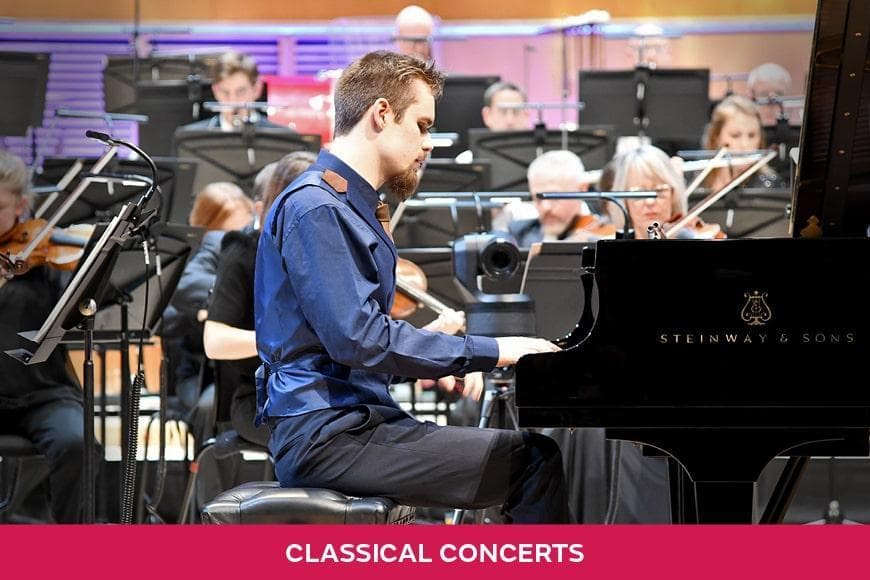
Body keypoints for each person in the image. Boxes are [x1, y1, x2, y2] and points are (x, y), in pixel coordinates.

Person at [255, 50, 569, 522]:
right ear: (382, 113)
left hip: (353, 421)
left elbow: (353, 343)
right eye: (422, 126)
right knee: (533, 461)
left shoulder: (346, 203)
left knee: (516, 461)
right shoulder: (317, 206)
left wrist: (439, 356)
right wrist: (497, 348)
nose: (429, 143)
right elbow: (358, 338)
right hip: (327, 433)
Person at [0, 151, 93, 523]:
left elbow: (81, 311)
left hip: (43, 393)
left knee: (76, 439)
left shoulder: (43, 256)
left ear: (22, 204)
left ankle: (72, 544)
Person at [162, 182, 254, 424]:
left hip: (245, 369)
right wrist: (230, 299)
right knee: (211, 406)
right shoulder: (213, 247)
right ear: (209, 230)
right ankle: (206, 461)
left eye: (247, 225)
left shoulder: (252, 243)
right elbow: (185, 287)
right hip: (204, 374)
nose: (242, 236)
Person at [505, 150, 607, 247]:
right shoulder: (520, 232)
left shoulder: (607, 229)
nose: (546, 207)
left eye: (554, 197)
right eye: (538, 198)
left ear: (582, 189)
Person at [176, 50, 283, 131]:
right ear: (215, 91)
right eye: (225, 92)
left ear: (256, 89)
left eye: (241, 92)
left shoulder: (281, 138)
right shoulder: (193, 137)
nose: (233, 101)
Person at [702, 95, 782, 193]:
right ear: (716, 137)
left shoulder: (771, 186)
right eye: (735, 135)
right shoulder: (697, 181)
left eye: (752, 135)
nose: (745, 145)